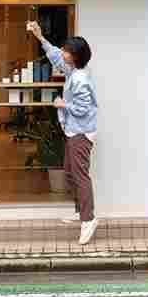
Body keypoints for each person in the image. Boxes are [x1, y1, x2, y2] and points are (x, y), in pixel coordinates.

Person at [28, 21, 99, 245]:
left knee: (80, 176)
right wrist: (40, 37)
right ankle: (81, 212)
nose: (63, 52)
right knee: (70, 172)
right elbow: (56, 56)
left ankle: (89, 219)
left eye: (67, 50)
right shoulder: (74, 70)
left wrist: (62, 105)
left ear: (75, 57)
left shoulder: (79, 79)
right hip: (73, 132)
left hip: (81, 133)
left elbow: (84, 108)